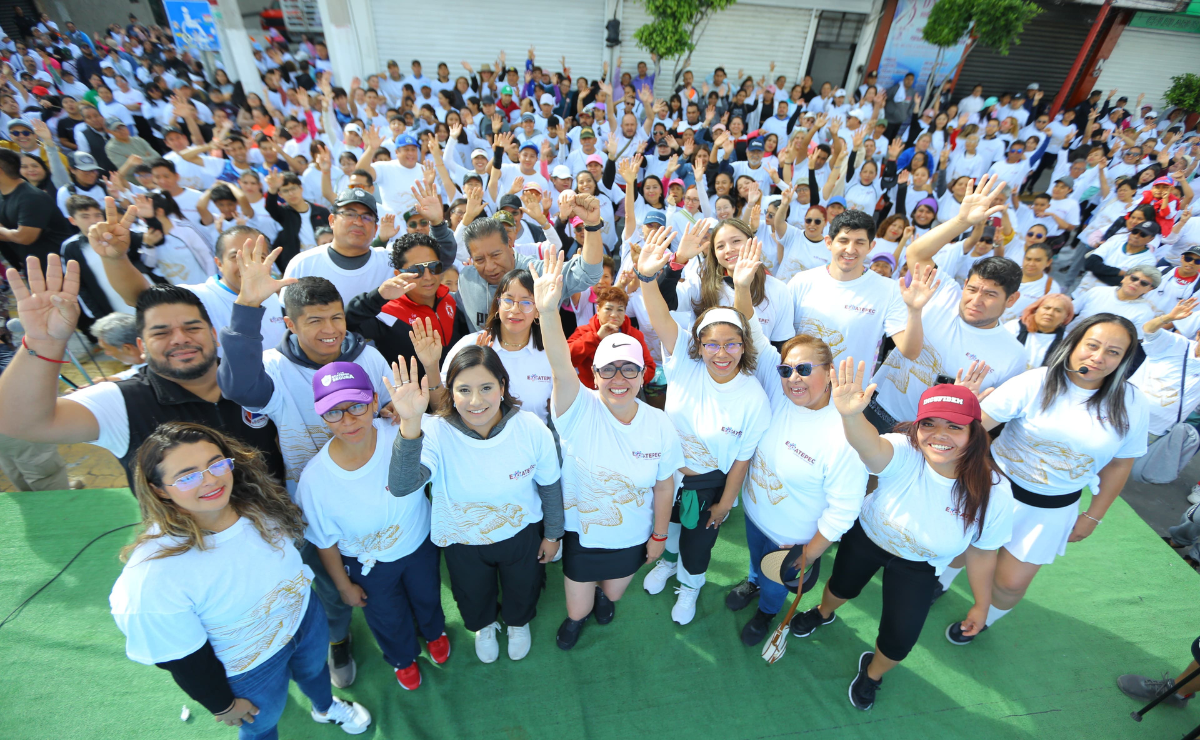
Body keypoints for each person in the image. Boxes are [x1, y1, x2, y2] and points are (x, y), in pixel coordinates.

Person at [108, 422, 372, 739]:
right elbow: (181, 658)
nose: (211, 480)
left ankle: (325, 708)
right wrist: (220, 704)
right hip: (248, 665)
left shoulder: (258, 500)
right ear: (158, 489)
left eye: (216, 463)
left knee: (315, 671)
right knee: (261, 726)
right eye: (187, 475)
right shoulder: (151, 576)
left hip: (304, 617)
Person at [216, 236, 394, 688]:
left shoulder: (368, 356)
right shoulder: (275, 368)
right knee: (333, 589)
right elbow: (239, 388)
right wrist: (246, 308)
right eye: (314, 321)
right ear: (290, 325)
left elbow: (395, 407)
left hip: (376, 493)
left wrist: (397, 408)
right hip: (313, 506)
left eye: (336, 316)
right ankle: (339, 640)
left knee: (388, 568)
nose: (330, 329)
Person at [0, 229, 286, 487]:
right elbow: (20, 421)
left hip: (280, 535)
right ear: (140, 345)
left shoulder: (258, 379)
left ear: (213, 332)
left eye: (192, 327)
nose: (179, 338)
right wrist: (43, 342)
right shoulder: (123, 403)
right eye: (161, 332)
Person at [801, 365, 1012, 710]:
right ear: (917, 426)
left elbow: (984, 552)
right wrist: (852, 417)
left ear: (976, 432)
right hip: (868, 538)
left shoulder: (994, 493)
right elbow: (871, 448)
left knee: (900, 638)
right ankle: (823, 613)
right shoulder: (905, 448)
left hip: (919, 566)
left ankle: (872, 675)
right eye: (929, 423)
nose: (939, 434)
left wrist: (980, 602)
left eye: (954, 427)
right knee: (841, 586)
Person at [938, 313, 1148, 644]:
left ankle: (987, 618)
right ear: (1074, 343)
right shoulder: (1036, 381)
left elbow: (1121, 464)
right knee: (961, 545)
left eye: (1113, 351)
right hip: (994, 487)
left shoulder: (1132, 402)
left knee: (1010, 583)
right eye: (1091, 345)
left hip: (1051, 508)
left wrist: (1094, 515)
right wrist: (960, 409)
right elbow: (979, 424)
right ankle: (943, 580)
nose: (1098, 357)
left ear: (1125, 359)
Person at [723, 238, 875, 642]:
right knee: (758, 566)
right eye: (788, 370)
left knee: (778, 584)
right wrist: (742, 287)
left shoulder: (845, 434)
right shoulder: (778, 386)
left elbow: (843, 512)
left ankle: (768, 612)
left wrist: (806, 556)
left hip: (791, 539)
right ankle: (755, 581)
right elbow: (751, 330)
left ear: (829, 372)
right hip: (755, 517)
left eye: (805, 369)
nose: (794, 379)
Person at [534, 246, 684, 650]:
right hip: (582, 536)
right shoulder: (577, 407)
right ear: (595, 375)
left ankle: (604, 598)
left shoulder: (659, 424)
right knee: (577, 608)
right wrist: (548, 312)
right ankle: (576, 619)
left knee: (613, 594)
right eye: (609, 370)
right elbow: (560, 366)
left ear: (642, 376)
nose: (620, 378)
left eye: (630, 369)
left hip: (632, 535)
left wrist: (657, 535)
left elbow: (665, 486)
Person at [387, 348, 563, 663]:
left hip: (520, 534)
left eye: (486, 388)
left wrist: (552, 535)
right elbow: (402, 485)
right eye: (464, 390)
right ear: (450, 393)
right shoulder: (435, 432)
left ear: (503, 387)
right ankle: (484, 625)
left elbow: (550, 485)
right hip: (463, 539)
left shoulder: (531, 427)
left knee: (524, 585)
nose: (476, 401)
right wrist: (411, 421)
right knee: (472, 592)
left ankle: (517, 622)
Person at [633, 227, 771, 624]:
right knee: (671, 528)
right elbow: (659, 314)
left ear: (744, 346)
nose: (722, 352)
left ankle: (691, 586)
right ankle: (668, 565)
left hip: (704, 484)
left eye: (732, 343)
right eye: (712, 343)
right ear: (698, 345)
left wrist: (726, 503)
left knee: (697, 545)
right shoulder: (685, 366)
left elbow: (742, 460)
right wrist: (647, 278)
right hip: (665, 476)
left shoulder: (752, 398)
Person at [297, 361, 449, 691]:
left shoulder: (402, 431)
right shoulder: (313, 480)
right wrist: (343, 586)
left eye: (357, 406)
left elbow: (440, 435)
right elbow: (324, 542)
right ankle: (402, 658)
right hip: (369, 566)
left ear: (374, 401)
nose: (349, 420)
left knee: (427, 595)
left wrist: (411, 415)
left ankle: (435, 632)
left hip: (419, 545)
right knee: (386, 616)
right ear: (321, 415)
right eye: (334, 412)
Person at [870, 176, 1026, 432]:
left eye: (990, 295)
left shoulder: (1013, 355)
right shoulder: (942, 290)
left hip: (925, 436)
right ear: (964, 285)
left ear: (1011, 300)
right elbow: (916, 254)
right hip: (875, 405)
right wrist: (962, 222)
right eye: (973, 289)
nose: (976, 300)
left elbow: (992, 416)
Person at [788, 208, 927, 383]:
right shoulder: (801, 281)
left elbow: (911, 352)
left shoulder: (888, 290)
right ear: (829, 242)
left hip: (848, 399)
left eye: (860, 242)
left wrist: (915, 312)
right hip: (796, 388)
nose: (850, 249)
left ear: (871, 246)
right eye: (843, 241)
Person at [457, 192, 603, 332]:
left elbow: (589, 273)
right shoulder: (466, 279)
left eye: (495, 255)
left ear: (509, 244)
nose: (489, 267)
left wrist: (592, 225)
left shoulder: (540, 274)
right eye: (479, 260)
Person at [346, 232, 468, 386]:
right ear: (398, 274)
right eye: (416, 270)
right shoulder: (386, 315)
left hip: (460, 397)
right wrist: (377, 296)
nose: (428, 277)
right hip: (413, 405)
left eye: (433, 267)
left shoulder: (450, 299)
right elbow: (345, 324)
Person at [443, 269, 556, 424]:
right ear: (497, 305)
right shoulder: (469, 345)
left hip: (531, 445)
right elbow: (442, 401)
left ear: (538, 310)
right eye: (508, 301)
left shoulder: (550, 354)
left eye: (526, 302)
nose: (515, 310)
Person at [1131, 300, 1200, 443]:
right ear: (1198, 334)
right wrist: (1168, 318)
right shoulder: (1177, 343)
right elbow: (1148, 330)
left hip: (1154, 431)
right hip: (1119, 411)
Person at [567, 285, 656, 392]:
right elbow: (566, 359)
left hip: (624, 393)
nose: (614, 315)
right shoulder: (584, 331)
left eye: (620, 310)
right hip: (591, 394)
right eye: (608, 309)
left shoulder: (635, 335)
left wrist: (629, 380)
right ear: (598, 310)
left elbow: (650, 368)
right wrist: (596, 338)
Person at [0, 148, 74, 267]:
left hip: (63, 269)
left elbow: (25, 237)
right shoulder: (3, 196)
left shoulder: (31, 197)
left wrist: (2, 230)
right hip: (35, 271)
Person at [1068, 267, 1159, 339]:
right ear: (1124, 278)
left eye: (1144, 283)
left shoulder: (1144, 313)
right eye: (1134, 278)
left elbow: (1134, 340)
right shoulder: (1097, 291)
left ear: (1149, 289)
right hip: (1067, 336)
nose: (1136, 283)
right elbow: (1070, 312)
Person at [1005, 294, 1075, 370]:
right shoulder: (1014, 327)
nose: (1050, 313)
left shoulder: (1066, 341)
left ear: (1066, 317)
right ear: (1035, 310)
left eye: (1058, 311)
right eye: (1046, 308)